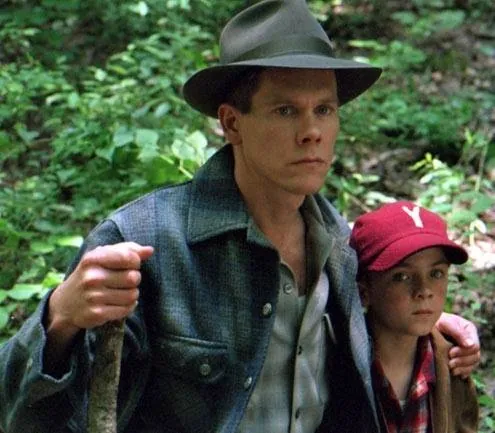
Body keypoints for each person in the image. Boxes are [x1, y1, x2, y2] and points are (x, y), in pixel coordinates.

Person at [0, 1, 480, 432]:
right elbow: (23, 414)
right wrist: (60, 318)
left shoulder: (337, 242)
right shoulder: (146, 242)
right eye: (286, 110)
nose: (312, 131)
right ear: (232, 123)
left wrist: (432, 323)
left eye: (325, 109)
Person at [350, 201, 479, 433]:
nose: (424, 290)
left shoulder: (453, 367)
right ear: (364, 292)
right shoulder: (339, 366)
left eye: (436, 273)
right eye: (402, 276)